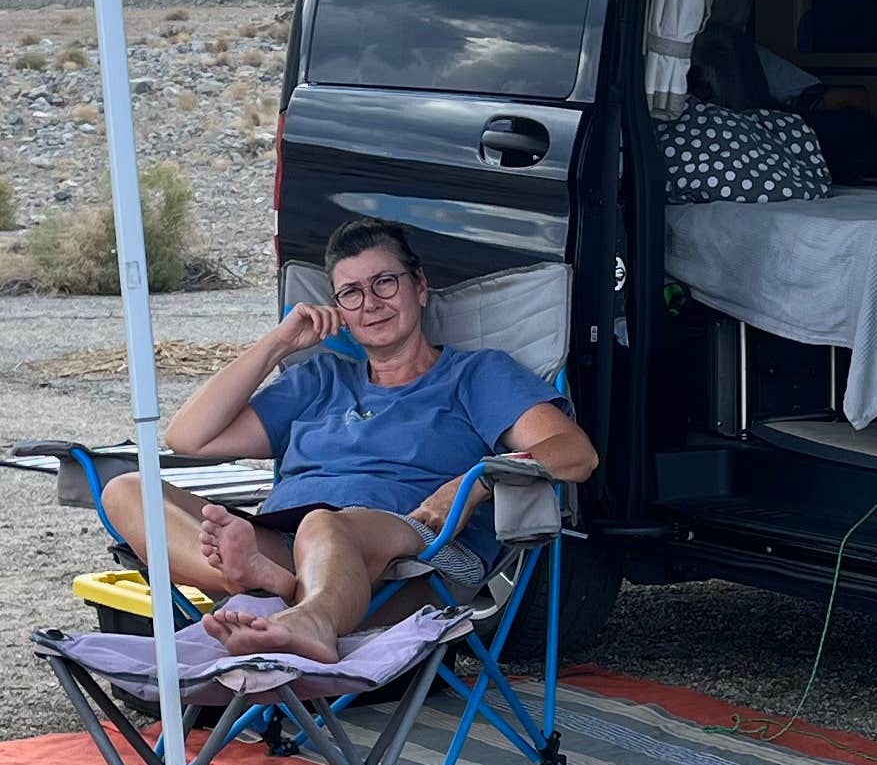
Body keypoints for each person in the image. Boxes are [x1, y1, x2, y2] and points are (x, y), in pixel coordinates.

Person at [103, 221, 598, 664]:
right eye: (351, 293)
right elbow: (188, 436)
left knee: (327, 523)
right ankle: (256, 582)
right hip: (289, 543)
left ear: (420, 286)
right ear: (337, 308)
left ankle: (310, 619)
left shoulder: (476, 375)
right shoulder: (323, 378)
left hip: (415, 553)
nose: (372, 303)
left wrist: (471, 486)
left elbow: (574, 453)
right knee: (126, 490)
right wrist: (278, 342)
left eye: (385, 282)